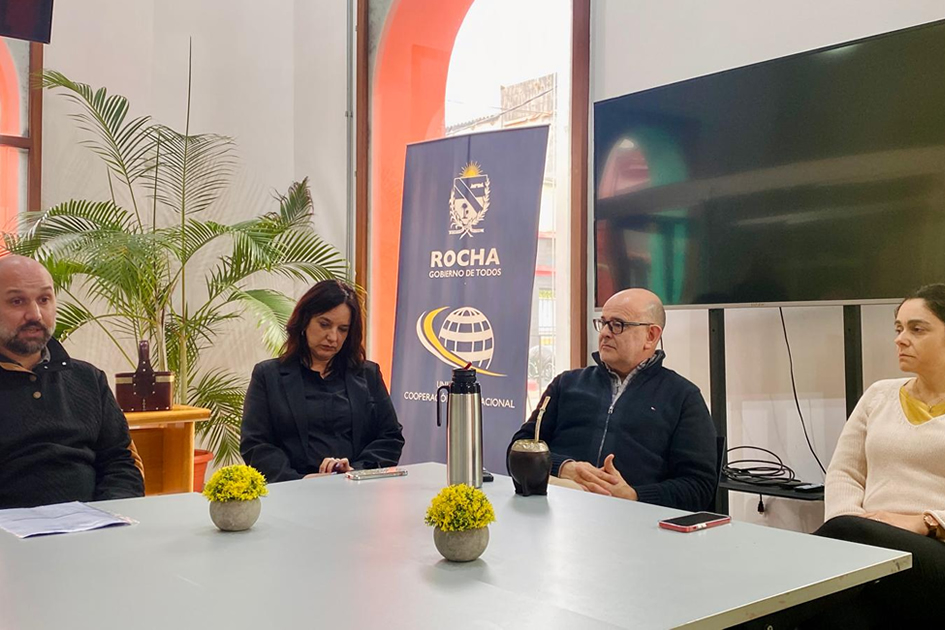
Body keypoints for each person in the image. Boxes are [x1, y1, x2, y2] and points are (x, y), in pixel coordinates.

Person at [508, 288, 717, 511]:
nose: (605, 333)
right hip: (558, 513)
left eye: (618, 325)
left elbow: (699, 486)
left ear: (651, 336)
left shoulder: (683, 397)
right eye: (603, 323)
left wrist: (635, 496)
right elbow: (518, 449)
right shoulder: (566, 384)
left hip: (635, 521)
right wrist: (563, 467)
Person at [810, 284, 945, 627]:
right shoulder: (878, 395)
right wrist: (853, 529)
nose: (900, 339)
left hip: (935, 553)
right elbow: (845, 473)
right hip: (869, 545)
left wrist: (927, 522)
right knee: (838, 615)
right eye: (898, 329)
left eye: (917, 329)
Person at [0, 255, 144, 508]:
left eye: (44, 299)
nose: (34, 314)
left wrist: (110, 515)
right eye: (17, 301)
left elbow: (120, 463)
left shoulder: (88, 379)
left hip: (93, 524)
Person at [241, 279, 404, 481]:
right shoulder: (268, 375)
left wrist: (355, 471)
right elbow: (256, 444)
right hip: (292, 490)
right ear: (304, 322)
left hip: (355, 490)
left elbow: (390, 437)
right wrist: (299, 481)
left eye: (342, 329)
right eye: (324, 324)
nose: (333, 337)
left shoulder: (368, 374)